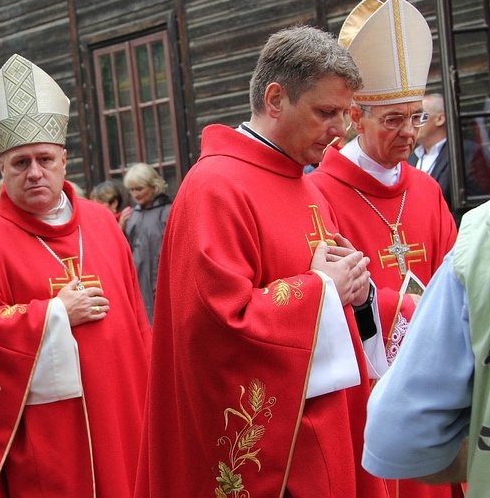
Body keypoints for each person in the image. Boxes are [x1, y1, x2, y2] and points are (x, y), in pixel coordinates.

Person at [135, 25, 390, 497]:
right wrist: (322, 290)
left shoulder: (309, 185)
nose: (341, 131)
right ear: (275, 100)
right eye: (326, 112)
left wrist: (356, 293)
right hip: (279, 457)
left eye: (345, 115)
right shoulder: (214, 187)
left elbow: (337, 292)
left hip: (329, 428)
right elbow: (216, 327)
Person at [0, 54, 152, 497]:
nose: (35, 172)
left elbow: (138, 320)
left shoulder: (102, 223)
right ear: (1, 168)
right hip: (47, 428)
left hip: (120, 410)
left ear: (64, 160)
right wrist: (54, 314)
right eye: (20, 163)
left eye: (44, 158)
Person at [307, 0, 461, 498]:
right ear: (355, 115)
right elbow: (330, 299)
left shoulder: (426, 190)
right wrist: (405, 309)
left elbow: (456, 278)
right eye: (393, 120)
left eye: (416, 118)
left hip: (433, 378)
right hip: (366, 386)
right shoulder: (322, 193)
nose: (410, 135)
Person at [363, 186, 490, 497]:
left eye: (414, 130)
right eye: (391, 130)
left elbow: (398, 435)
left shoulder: (484, 230)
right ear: (360, 132)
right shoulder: (324, 191)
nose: (407, 134)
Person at [408, 93, 490, 225]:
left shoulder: (466, 152)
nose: (412, 124)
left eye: (418, 117)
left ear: (440, 119)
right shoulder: (409, 158)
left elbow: (478, 205)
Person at [122, 163, 172, 322]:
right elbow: (125, 249)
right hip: (139, 279)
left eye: (139, 188)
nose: (135, 194)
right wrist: (120, 229)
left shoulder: (168, 211)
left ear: (153, 186)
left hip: (161, 278)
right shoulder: (133, 214)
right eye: (131, 190)